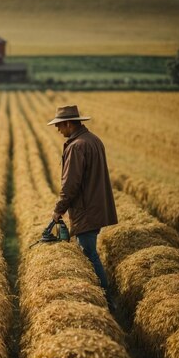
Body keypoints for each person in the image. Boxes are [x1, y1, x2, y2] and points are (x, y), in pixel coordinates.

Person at [48, 104, 117, 303]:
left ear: (69, 123)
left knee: (89, 254)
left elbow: (70, 183)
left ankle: (105, 299)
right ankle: (103, 297)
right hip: (96, 205)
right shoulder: (93, 140)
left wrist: (58, 209)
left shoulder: (77, 146)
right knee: (88, 251)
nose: (58, 130)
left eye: (59, 125)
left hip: (86, 208)